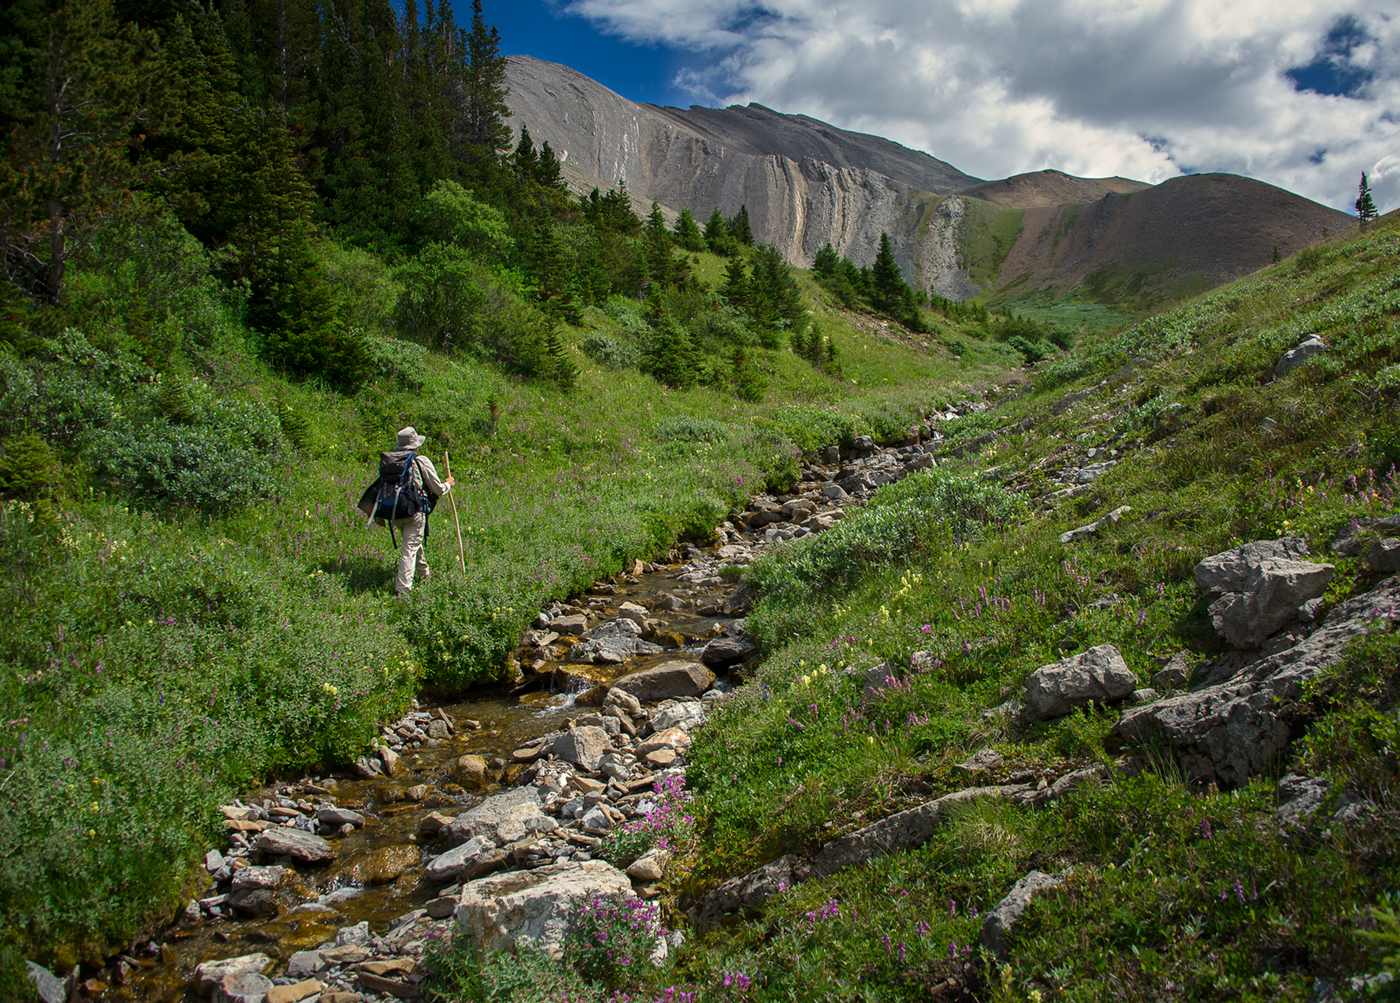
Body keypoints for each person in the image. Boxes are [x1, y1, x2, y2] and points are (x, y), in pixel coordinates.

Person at [380, 426, 454, 596]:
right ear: (415, 444)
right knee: (409, 548)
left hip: (394, 511)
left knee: (412, 541)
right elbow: (437, 489)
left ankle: (424, 573)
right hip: (414, 511)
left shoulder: (392, 461)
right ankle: (403, 590)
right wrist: (448, 484)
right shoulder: (420, 460)